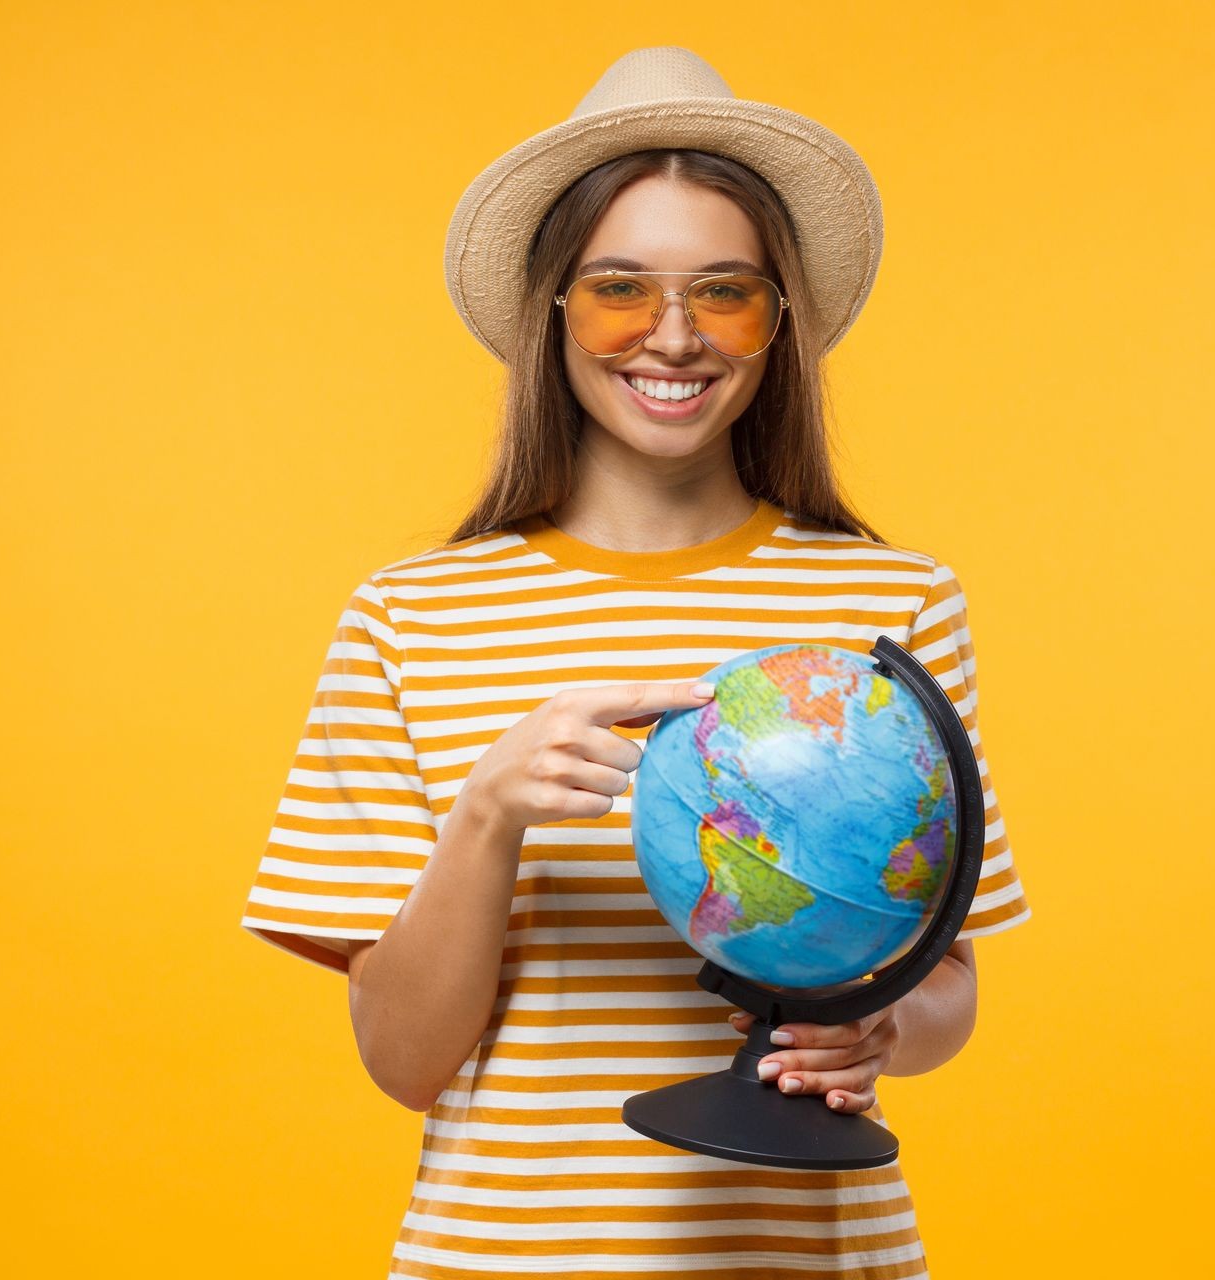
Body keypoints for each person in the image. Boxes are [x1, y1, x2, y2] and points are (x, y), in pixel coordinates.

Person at [240, 45, 1032, 1280]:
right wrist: (490, 811)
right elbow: (401, 1060)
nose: (674, 337)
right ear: (552, 306)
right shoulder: (414, 615)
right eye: (619, 288)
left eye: (726, 292)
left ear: (778, 322)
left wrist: (877, 1021)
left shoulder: (891, 600)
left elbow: (950, 992)